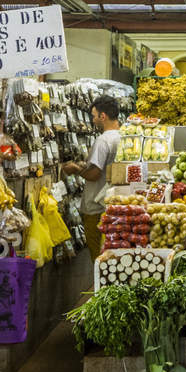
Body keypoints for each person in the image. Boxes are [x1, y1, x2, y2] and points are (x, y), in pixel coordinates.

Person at [63, 94, 121, 258]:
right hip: (111, 203)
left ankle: (99, 283)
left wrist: (75, 169)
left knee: (98, 255)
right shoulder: (122, 136)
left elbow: (94, 174)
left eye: (94, 116)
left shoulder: (103, 140)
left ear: (103, 116)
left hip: (96, 207)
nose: (93, 120)